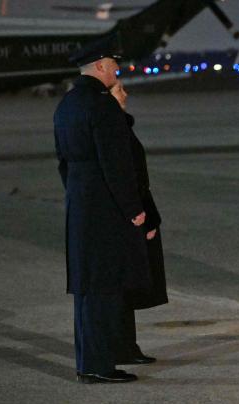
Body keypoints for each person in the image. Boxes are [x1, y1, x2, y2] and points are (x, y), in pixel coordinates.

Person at [54, 37, 152, 383]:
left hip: (79, 205)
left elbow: (64, 163)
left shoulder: (66, 105)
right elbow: (116, 164)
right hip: (105, 208)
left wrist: (79, 195)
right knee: (104, 287)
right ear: (98, 66)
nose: (116, 70)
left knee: (86, 287)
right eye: (113, 64)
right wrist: (133, 208)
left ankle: (91, 360)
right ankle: (99, 366)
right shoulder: (102, 105)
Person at [110, 81, 168, 364]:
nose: (126, 93)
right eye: (120, 89)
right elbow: (130, 179)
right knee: (124, 284)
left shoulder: (120, 125)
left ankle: (126, 346)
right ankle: (121, 347)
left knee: (126, 285)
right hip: (130, 216)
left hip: (133, 212)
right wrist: (144, 216)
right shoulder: (115, 129)